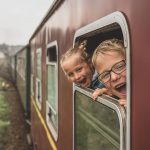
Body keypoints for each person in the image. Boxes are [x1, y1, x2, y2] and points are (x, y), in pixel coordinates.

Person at [92, 39, 126, 107]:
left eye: (119, 67)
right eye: (105, 75)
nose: (114, 77)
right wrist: (109, 95)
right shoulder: (111, 93)